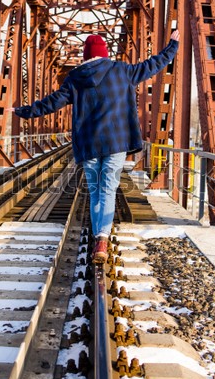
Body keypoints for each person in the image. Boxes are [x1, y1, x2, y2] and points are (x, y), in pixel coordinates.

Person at [10, 30, 180, 264]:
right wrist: (172, 45)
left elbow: (52, 103)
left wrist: (24, 111)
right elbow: (154, 64)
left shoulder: (75, 79)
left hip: (89, 143)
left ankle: (98, 236)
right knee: (108, 189)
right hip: (116, 141)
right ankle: (101, 238)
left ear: (85, 56)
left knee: (95, 190)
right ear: (104, 54)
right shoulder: (123, 71)